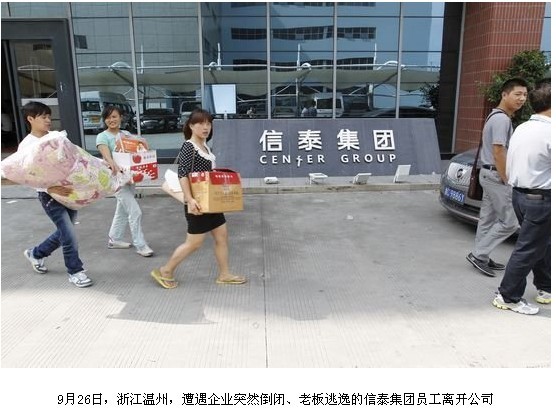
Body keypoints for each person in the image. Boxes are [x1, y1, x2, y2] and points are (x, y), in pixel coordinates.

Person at [150, 109, 246, 289]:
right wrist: (189, 199)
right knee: (194, 243)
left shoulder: (205, 147)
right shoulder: (189, 146)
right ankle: (165, 270)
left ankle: (224, 274)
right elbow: (183, 174)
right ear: (191, 126)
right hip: (197, 203)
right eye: (200, 123)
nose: (205, 127)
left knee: (222, 237)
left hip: (211, 202)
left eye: (208, 123)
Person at [492, 79, 551, 315]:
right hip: (541, 199)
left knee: (540, 244)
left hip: (521, 195)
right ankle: (508, 296)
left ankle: (546, 287)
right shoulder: (550, 132)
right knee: (528, 249)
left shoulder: (523, 127)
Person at [21, 101, 93, 288]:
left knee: (65, 232)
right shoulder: (27, 145)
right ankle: (75, 271)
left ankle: (36, 253)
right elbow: (27, 176)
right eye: (43, 117)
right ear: (30, 119)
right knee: (69, 235)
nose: (48, 120)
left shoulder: (56, 137)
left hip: (68, 192)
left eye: (49, 117)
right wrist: (49, 189)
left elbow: (74, 158)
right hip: (50, 197)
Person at [466, 78, 528, 277]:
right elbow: (498, 151)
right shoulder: (502, 119)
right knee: (510, 222)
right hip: (496, 174)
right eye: (517, 94)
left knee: (487, 218)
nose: (522, 99)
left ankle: (482, 256)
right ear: (504, 94)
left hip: (488, 173)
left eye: (525, 95)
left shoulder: (494, 116)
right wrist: (506, 178)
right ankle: (479, 254)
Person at [96, 105, 154, 257]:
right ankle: (140, 245)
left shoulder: (126, 134)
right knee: (135, 212)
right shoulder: (102, 136)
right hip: (116, 180)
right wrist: (113, 164)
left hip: (129, 179)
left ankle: (114, 239)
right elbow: (106, 156)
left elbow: (139, 150)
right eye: (108, 117)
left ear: (121, 118)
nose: (111, 120)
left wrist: (143, 145)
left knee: (122, 210)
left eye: (114, 116)